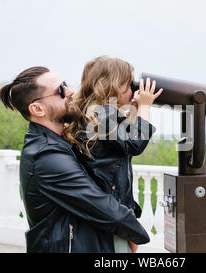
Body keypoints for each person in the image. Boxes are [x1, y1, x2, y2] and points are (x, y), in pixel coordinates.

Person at [0, 66, 150, 253]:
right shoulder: (47, 157)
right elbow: (104, 209)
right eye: (60, 91)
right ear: (37, 109)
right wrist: (134, 233)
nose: (70, 92)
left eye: (66, 85)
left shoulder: (60, 142)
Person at [62, 56, 162, 253]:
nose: (134, 90)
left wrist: (133, 113)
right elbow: (135, 144)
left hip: (101, 210)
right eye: (129, 84)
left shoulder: (89, 112)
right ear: (112, 87)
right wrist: (145, 106)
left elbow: (119, 147)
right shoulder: (103, 112)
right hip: (111, 212)